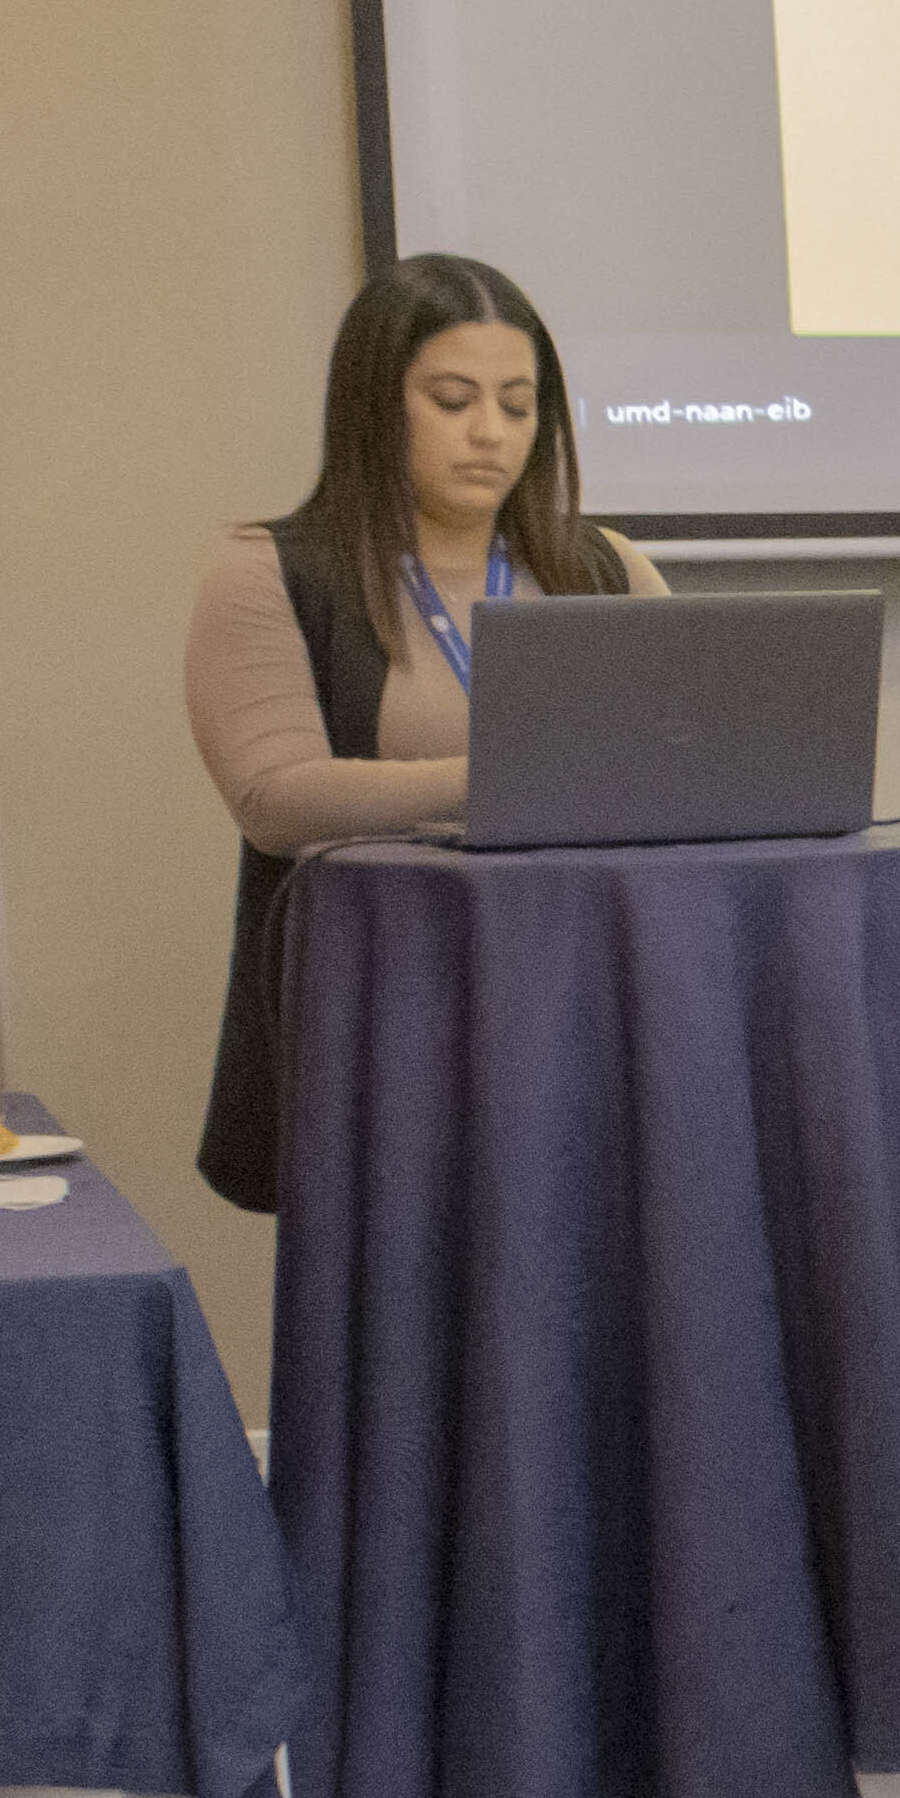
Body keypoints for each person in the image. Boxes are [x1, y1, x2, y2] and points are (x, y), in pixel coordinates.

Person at [185, 254, 663, 1213]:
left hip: (589, 1006)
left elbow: (689, 755)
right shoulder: (272, 573)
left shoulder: (605, 568)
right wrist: (524, 776)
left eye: (519, 406)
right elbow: (279, 801)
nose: (491, 432)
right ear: (375, 405)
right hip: (389, 1023)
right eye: (453, 400)